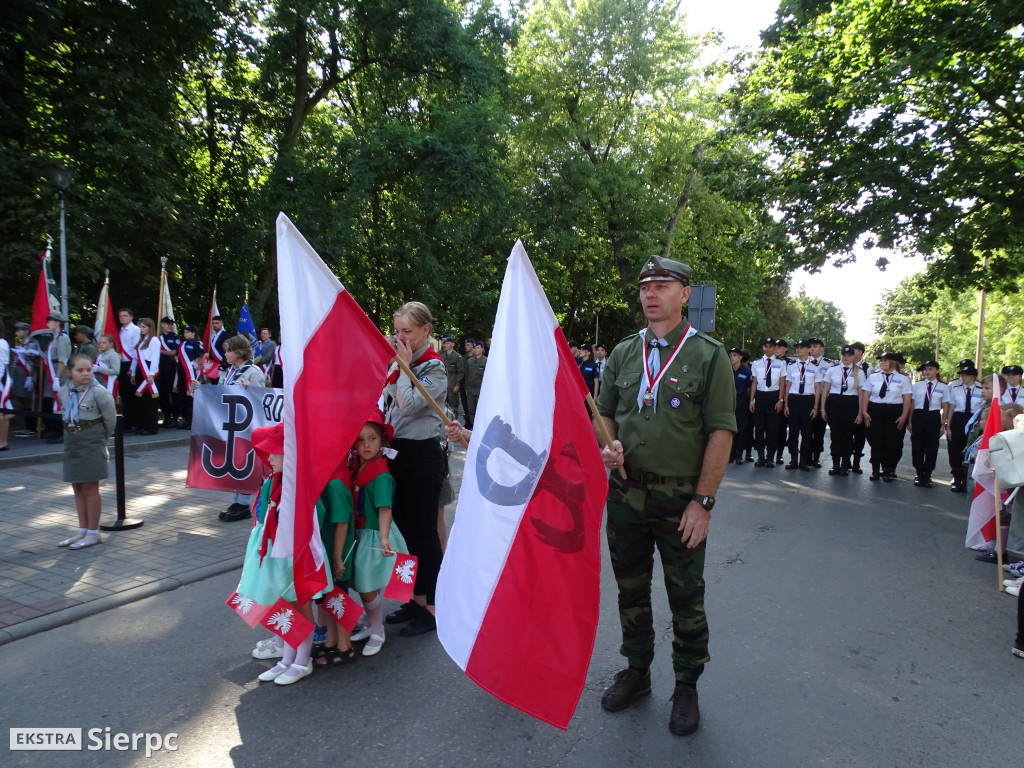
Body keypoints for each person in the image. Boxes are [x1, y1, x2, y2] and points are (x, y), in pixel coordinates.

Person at [595, 255, 735, 737]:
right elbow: (605, 413)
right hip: (626, 493)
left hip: (681, 499)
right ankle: (636, 671)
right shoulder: (622, 353)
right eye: (645, 287)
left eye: (662, 285)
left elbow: (720, 433)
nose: (650, 294)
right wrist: (607, 445)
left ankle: (686, 686)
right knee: (630, 590)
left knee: (685, 597)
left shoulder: (709, 355)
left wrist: (704, 502)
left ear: (684, 295)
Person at [237, 423, 331, 686]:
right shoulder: (274, 481)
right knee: (285, 605)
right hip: (278, 555)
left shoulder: (299, 486)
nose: (268, 457)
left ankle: (303, 659)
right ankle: (288, 657)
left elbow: (317, 517)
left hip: (296, 554)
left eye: (275, 453)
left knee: (302, 604)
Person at [383, 301, 447, 637]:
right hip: (397, 453)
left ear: (425, 330)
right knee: (404, 533)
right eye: (398, 331)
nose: (401, 337)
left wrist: (405, 367)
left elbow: (407, 407)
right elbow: (387, 403)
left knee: (424, 533)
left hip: (423, 455)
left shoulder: (433, 367)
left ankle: (433, 605)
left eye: (407, 331)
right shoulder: (399, 363)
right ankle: (414, 596)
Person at [351, 410, 410, 656]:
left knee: (366, 583)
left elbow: (385, 509)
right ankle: (369, 619)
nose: (366, 445)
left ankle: (378, 629)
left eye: (372, 439)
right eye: (361, 439)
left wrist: (384, 538)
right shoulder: (359, 466)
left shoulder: (381, 474)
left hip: (374, 535)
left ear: (382, 442)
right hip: (360, 533)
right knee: (364, 582)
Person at [55, 352, 117, 550]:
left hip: (91, 441)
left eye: (89, 369)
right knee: (78, 488)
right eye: (79, 370)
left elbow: (110, 420)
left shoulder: (99, 391)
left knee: (90, 488)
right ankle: (82, 530)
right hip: (72, 441)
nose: (85, 374)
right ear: (69, 372)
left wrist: (101, 438)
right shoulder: (65, 391)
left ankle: (93, 533)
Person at [313, 461, 358, 668]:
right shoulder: (327, 477)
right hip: (327, 549)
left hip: (337, 550)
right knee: (329, 597)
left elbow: (342, 521)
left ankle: (345, 646)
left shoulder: (335, 483)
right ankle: (332, 640)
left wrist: (338, 557)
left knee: (339, 597)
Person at [219, 335, 267, 522]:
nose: (225, 354)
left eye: (228, 350)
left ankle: (244, 503)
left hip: (247, 426)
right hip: (230, 425)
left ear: (238, 352)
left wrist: (252, 389)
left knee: (244, 464)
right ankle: (236, 500)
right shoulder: (228, 371)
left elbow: (263, 399)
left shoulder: (253, 372)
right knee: (233, 464)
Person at [859, 351, 912, 481]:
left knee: (892, 441)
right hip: (876, 410)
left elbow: (907, 399)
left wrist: (904, 416)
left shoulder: (903, 378)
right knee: (875, 440)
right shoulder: (873, 377)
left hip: (894, 411)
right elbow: (866, 395)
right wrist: (864, 412)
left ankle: (888, 469)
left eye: (885, 360)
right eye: (881, 360)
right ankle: (875, 469)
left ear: (893, 362)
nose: (882, 362)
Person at [820, 346, 862, 476]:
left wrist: (860, 412)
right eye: (844, 354)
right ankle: (835, 465)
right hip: (834, 403)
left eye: (849, 355)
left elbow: (861, 394)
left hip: (851, 403)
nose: (846, 357)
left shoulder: (859, 372)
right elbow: (825, 390)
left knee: (847, 435)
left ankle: (845, 465)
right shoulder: (832, 370)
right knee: (836, 434)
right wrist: (822, 409)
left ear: (853, 357)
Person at [943, 360, 982, 493]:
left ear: (972, 376)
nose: (962, 377)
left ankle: (966, 478)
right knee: (955, 449)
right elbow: (951, 408)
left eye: (965, 375)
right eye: (961, 375)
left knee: (970, 449)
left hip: (974, 420)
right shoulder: (955, 388)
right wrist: (948, 425)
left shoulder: (981, 388)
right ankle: (957, 477)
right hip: (958, 419)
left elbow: (982, 409)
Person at [782, 339, 820, 471]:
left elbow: (817, 388)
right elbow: (788, 386)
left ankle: (803, 461)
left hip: (808, 400)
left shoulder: (815, 366)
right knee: (792, 432)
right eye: (797, 348)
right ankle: (793, 459)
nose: (798, 350)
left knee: (807, 433)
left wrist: (816, 407)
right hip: (794, 400)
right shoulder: (791, 365)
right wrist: (786, 404)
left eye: (801, 348)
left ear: (808, 350)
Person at [908, 361, 946, 488]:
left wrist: (943, 424)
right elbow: (912, 404)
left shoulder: (943, 387)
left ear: (937, 371)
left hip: (933, 417)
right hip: (919, 416)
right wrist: (910, 421)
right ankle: (919, 473)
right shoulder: (917, 385)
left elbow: (945, 406)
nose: (927, 372)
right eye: (925, 370)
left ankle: (928, 474)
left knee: (932, 447)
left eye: (930, 369)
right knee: (917, 446)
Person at [748, 338, 783, 467]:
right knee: (759, 429)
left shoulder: (781, 363)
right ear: (763, 348)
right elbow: (754, 383)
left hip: (774, 397)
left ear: (775, 348)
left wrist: (781, 400)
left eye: (770, 346)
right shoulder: (757, 363)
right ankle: (761, 457)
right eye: (765, 346)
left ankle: (770, 457)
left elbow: (782, 383)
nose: (768, 348)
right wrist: (752, 400)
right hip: (760, 397)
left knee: (772, 430)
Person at [43, 312, 73, 444]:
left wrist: (56, 378)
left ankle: (63, 432)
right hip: (53, 370)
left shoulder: (62, 337)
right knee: (55, 402)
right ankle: (56, 430)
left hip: (59, 373)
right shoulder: (55, 337)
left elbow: (62, 360)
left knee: (61, 402)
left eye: (50, 321)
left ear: (58, 322)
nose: (48, 323)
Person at [130, 318, 161, 435]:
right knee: (141, 400)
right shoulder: (141, 340)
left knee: (150, 401)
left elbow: (155, 358)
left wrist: (151, 374)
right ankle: (143, 424)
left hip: (149, 371)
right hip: (140, 371)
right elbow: (136, 358)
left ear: (150, 327)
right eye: (141, 327)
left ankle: (151, 427)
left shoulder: (154, 340)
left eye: (144, 327)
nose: (141, 329)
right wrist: (133, 372)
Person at [117, 309, 141, 431]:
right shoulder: (120, 330)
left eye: (125, 316)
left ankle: (135, 421)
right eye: (120, 316)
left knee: (133, 394)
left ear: (131, 317)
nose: (122, 318)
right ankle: (127, 421)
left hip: (132, 363)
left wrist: (133, 368)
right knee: (125, 394)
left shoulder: (135, 330)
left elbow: (136, 350)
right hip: (122, 363)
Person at [176, 325, 204, 429]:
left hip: (191, 372)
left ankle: (192, 421)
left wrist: (198, 364)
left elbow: (204, 354)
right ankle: (185, 418)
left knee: (190, 398)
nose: (185, 334)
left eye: (188, 332)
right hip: (182, 372)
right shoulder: (182, 344)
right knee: (182, 396)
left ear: (193, 333)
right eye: (185, 332)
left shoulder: (196, 344)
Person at [156, 317, 181, 428]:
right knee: (163, 393)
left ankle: (175, 417)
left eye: (171, 324)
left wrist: (158, 350)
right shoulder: (158, 338)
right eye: (167, 324)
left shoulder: (175, 337)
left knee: (174, 393)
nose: (170, 326)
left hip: (172, 368)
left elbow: (173, 353)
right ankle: (166, 416)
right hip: (161, 368)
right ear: (162, 325)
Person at [729, 347, 752, 465]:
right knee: (730, 429)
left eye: (735, 355)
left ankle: (739, 455)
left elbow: (749, 389)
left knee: (741, 430)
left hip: (742, 402)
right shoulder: (727, 370)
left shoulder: (746, 371)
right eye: (731, 355)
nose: (732, 357)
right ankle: (730, 454)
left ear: (740, 357)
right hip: (729, 402)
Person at [463, 339, 487, 430]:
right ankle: (474, 427)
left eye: (478, 348)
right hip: (470, 389)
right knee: (471, 409)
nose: (476, 350)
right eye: (475, 348)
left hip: (481, 389)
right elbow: (467, 375)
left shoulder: (486, 361)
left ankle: (481, 427)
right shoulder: (469, 361)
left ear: (482, 349)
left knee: (480, 410)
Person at [439, 334, 464, 418]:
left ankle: (454, 422)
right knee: (443, 406)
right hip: (443, 384)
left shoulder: (457, 356)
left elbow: (460, 372)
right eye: (445, 343)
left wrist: (457, 385)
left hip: (452, 384)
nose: (446, 345)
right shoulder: (442, 356)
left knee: (453, 406)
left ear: (453, 344)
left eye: (448, 343)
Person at [0, 320, 10, 450]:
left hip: (1, 382)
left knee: (2, 413)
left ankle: (2, 442)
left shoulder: (1, 343)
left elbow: (2, 365)